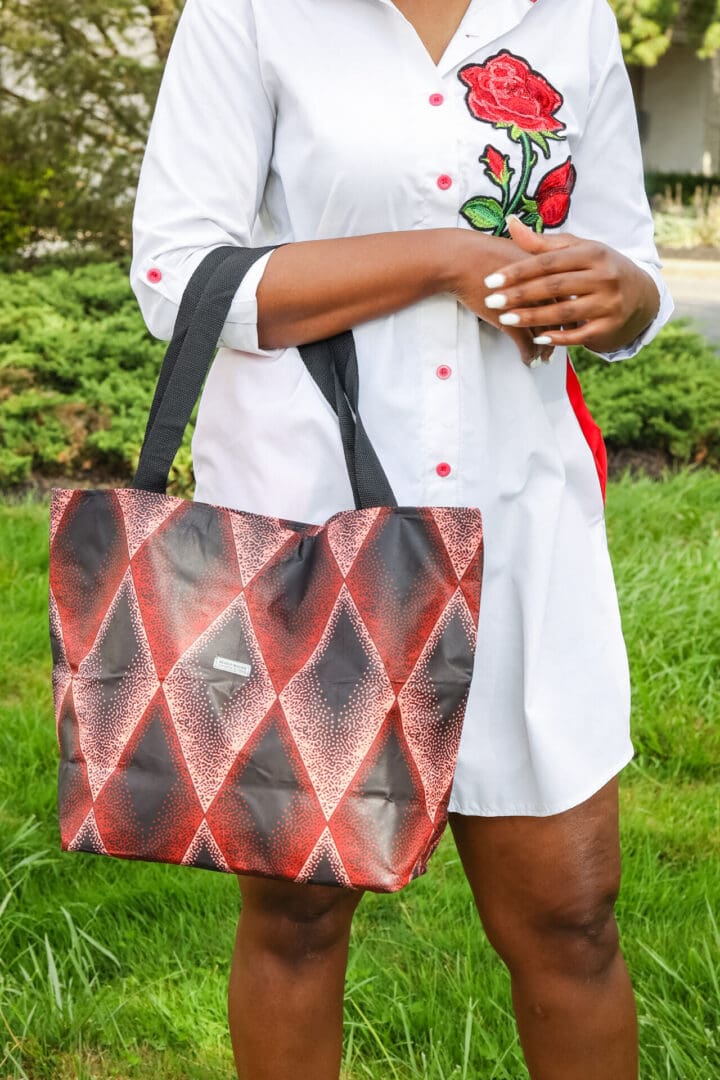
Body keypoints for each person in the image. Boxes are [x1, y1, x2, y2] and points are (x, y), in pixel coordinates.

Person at [129, 0, 675, 1076]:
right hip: (306, 533)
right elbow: (178, 275)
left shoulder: (572, 15)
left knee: (573, 923)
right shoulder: (250, 9)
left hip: (519, 528)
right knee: (297, 920)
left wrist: (622, 295)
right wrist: (439, 258)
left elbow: (633, 266)